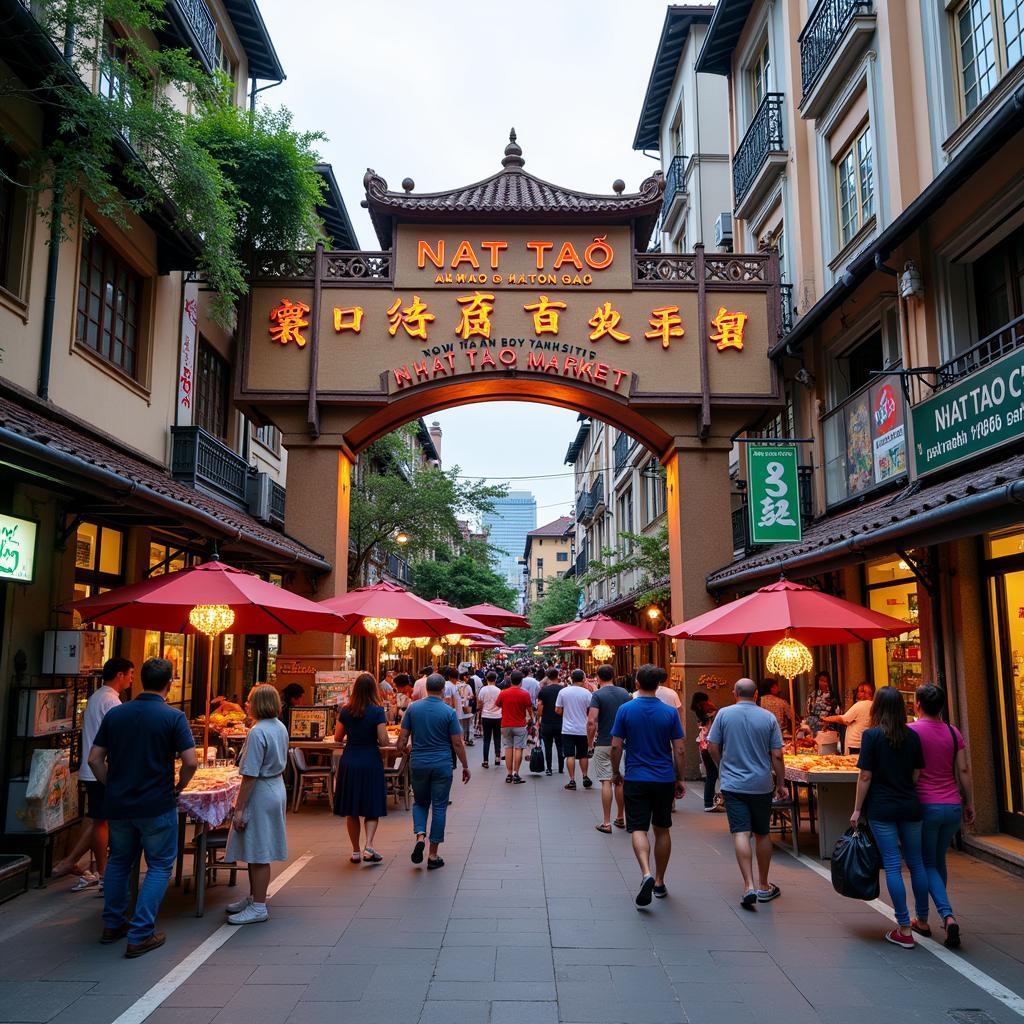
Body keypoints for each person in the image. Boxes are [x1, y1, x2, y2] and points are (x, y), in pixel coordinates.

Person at [87, 658, 197, 958]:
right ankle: (140, 933)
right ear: (170, 683)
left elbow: (94, 759)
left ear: (140, 681)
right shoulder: (173, 717)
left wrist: (111, 784)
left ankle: (112, 924)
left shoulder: (117, 714)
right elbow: (190, 761)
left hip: (120, 803)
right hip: (156, 802)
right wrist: (180, 786)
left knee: (120, 861)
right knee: (160, 865)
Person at [850, 686, 929, 949]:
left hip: (882, 808)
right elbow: (917, 774)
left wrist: (858, 808)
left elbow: (865, 776)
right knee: (916, 863)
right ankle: (923, 919)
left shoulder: (872, 736)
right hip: (910, 806)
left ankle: (904, 927)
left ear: (877, 708)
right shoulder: (913, 736)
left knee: (893, 865)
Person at [53, 657, 134, 889]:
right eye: (130, 674)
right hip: (102, 769)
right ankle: (103, 872)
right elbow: (119, 740)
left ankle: (70, 862)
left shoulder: (97, 697)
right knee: (101, 822)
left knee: (100, 818)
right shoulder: (112, 703)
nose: (131, 679)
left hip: (92, 767)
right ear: (119, 675)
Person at [707, 678, 787, 909]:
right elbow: (778, 755)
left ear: (734, 693)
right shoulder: (768, 717)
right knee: (762, 833)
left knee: (741, 833)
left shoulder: (723, 714)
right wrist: (780, 783)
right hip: (761, 784)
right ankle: (764, 885)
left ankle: (748, 885)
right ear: (755, 696)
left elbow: (712, 746)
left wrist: (722, 767)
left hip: (733, 784)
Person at [610, 664, 685, 907]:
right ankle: (660, 881)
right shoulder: (670, 712)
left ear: (637, 683)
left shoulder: (625, 709)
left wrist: (615, 772)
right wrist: (679, 778)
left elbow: (616, 746)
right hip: (663, 778)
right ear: (659, 685)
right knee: (662, 829)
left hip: (636, 777)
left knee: (639, 829)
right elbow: (680, 749)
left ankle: (645, 872)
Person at [907, 683, 975, 948]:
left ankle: (944, 916)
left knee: (925, 862)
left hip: (925, 805)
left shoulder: (911, 731)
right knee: (937, 860)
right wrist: (969, 803)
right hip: (952, 806)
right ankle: (926, 917)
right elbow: (964, 770)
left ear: (917, 705)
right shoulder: (952, 731)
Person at [224, 685, 290, 925]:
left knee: (259, 849)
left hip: (261, 791)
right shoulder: (278, 727)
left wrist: (239, 808)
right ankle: (255, 897)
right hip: (275, 786)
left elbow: (250, 774)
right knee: (257, 846)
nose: (246, 704)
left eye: (249, 700)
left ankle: (259, 905)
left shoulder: (257, 731)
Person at [396, 673, 471, 870]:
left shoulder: (413, 709)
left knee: (420, 802)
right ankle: (433, 854)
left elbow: (402, 741)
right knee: (439, 807)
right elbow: (457, 742)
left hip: (419, 763)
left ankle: (420, 835)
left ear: (426, 688)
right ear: (443, 690)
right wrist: (465, 765)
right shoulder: (448, 712)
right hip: (441, 764)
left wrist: (405, 750)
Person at [333, 673, 391, 865]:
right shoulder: (377, 711)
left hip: (350, 760)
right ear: (373, 689)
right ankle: (369, 845)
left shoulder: (346, 710)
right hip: (370, 760)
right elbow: (383, 740)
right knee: (371, 806)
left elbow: (337, 738)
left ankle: (355, 851)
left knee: (352, 808)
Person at [588, 664, 631, 833]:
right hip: (622, 744)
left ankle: (606, 822)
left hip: (604, 742)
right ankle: (621, 817)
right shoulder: (625, 694)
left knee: (606, 781)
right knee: (619, 781)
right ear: (614, 676)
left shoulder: (597, 695)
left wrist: (590, 742)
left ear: (598, 677)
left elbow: (592, 722)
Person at [556, 669, 594, 790]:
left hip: (567, 729)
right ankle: (585, 776)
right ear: (583, 679)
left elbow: (557, 709)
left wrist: (566, 715)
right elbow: (591, 710)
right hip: (582, 729)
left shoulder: (563, 691)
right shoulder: (587, 693)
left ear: (571, 678)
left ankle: (572, 780)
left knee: (570, 755)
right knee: (583, 755)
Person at [494, 670, 533, 783]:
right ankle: (516, 773)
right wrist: (532, 718)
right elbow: (529, 709)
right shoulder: (524, 694)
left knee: (508, 748)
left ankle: (509, 774)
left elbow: (497, 705)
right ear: (521, 681)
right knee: (518, 748)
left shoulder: (503, 693)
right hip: (520, 725)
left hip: (505, 724)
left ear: (510, 680)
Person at [690, 692, 722, 813]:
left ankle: (711, 801)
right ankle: (709, 802)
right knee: (713, 774)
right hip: (709, 747)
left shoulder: (700, 715)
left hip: (703, 747)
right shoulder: (710, 715)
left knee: (712, 774)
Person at [822, 682, 875, 754]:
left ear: (864, 692)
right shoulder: (874, 705)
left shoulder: (860, 705)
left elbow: (844, 719)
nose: (857, 694)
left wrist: (826, 719)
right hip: (866, 743)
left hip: (855, 744)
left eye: (859, 691)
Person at [536, 668, 565, 775]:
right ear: (557, 676)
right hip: (560, 722)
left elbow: (540, 706)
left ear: (548, 677)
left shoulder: (544, 690)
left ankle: (549, 768)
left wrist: (538, 719)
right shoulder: (563, 689)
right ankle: (561, 768)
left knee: (547, 746)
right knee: (560, 745)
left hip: (546, 722)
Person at [477, 670, 503, 768]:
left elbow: (479, 704)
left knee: (486, 739)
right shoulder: (499, 690)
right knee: (497, 738)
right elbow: (501, 704)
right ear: (495, 679)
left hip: (486, 716)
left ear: (487, 679)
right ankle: (497, 758)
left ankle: (485, 760)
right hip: (497, 716)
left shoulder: (483, 690)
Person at [805, 671, 839, 736]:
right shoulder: (813, 694)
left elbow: (838, 712)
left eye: (825, 681)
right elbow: (808, 711)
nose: (823, 683)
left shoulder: (832, 695)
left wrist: (833, 704)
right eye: (821, 680)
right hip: (813, 727)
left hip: (828, 728)